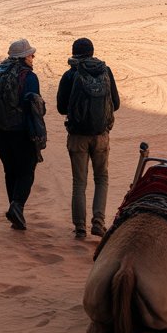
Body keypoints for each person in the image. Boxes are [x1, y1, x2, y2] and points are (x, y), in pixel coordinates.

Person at [56, 37, 120, 240]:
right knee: (101, 178)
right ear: (92, 52)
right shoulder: (105, 71)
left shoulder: (69, 75)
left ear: (74, 53)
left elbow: (60, 108)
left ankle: (80, 227)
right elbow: (116, 103)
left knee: (79, 182)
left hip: (77, 137)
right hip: (101, 135)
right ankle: (99, 222)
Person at [0, 39, 47, 232]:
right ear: (23, 57)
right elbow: (34, 107)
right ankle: (17, 206)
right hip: (22, 132)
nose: (33, 57)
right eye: (30, 54)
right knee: (27, 171)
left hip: (1, 131)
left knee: (10, 171)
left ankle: (15, 211)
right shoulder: (28, 76)